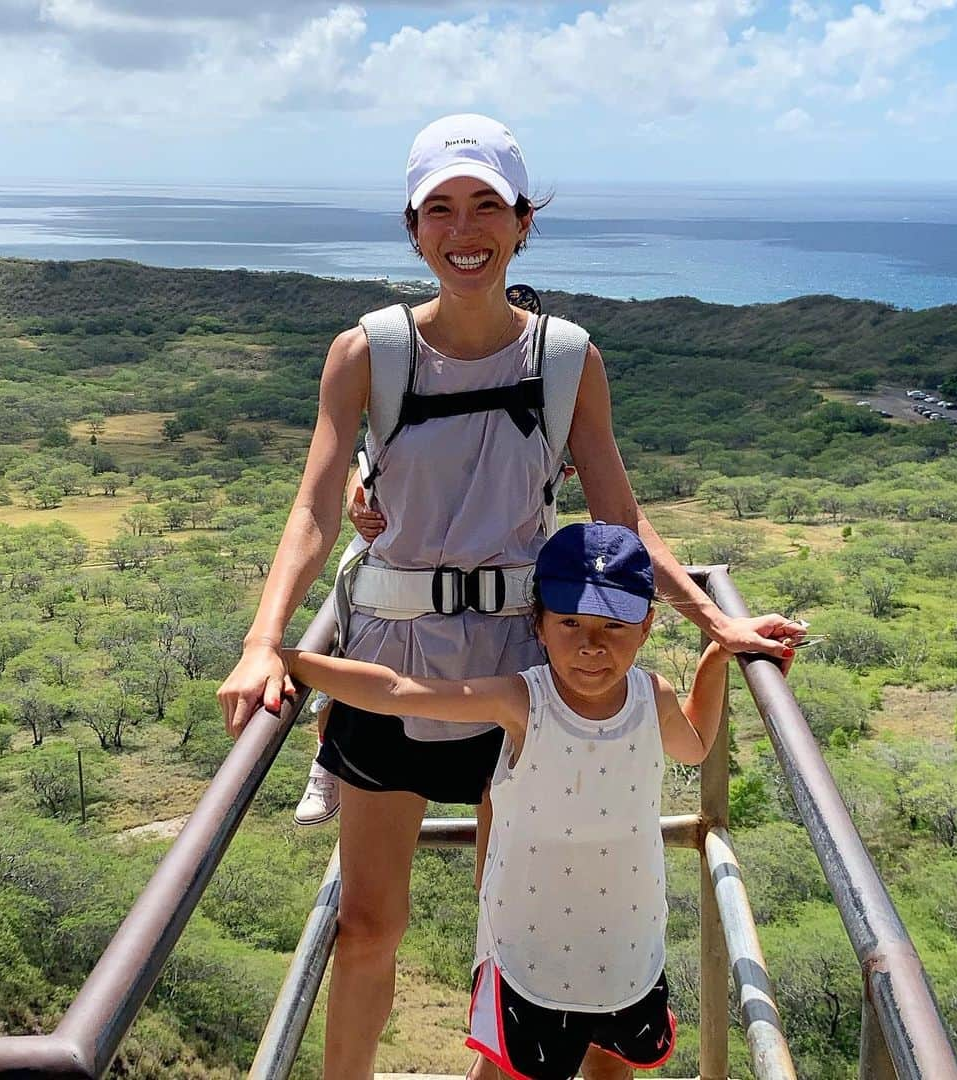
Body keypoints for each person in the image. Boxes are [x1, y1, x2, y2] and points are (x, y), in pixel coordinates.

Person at [218, 112, 802, 1080]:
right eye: (439, 208)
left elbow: (620, 516)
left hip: (522, 679)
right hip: (389, 661)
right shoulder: (365, 353)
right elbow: (317, 504)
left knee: (516, 927)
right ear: (412, 230)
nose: (464, 229)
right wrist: (263, 637)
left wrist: (713, 622)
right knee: (367, 927)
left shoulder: (568, 358)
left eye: (486, 204)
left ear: (523, 222)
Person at [280, 522, 770, 1079]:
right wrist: (288, 659)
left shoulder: (650, 697)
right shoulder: (524, 700)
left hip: (625, 948)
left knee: (612, 1070)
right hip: (526, 952)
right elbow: (397, 690)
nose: (591, 644)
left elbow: (697, 743)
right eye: (570, 622)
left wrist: (717, 654)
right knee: (512, 1071)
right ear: (537, 624)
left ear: (647, 625)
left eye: (614, 625)